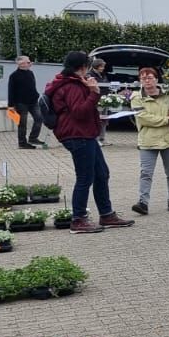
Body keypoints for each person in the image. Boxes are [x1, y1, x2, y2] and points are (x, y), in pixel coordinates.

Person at [44, 51, 134, 234]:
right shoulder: (71, 86)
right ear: (83, 67)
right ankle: (78, 220)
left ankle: (106, 214)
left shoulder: (72, 81)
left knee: (101, 174)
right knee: (85, 177)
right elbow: (79, 112)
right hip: (77, 135)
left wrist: (92, 92)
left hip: (84, 134)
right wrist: (94, 92)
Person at [130, 66, 169, 214]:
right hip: (148, 140)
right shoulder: (136, 97)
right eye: (143, 78)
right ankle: (143, 203)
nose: (146, 81)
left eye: (149, 78)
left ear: (156, 79)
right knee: (146, 173)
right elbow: (144, 118)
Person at [9, 55, 45, 149]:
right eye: (28, 62)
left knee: (39, 118)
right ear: (21, 64)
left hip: (33, 102)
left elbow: (32, 86)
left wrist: (36, 95)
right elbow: (11, 90)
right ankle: (22, 143)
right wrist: (11, 105)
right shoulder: (14, 76)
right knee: (22, 124)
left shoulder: (30, 73)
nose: (30, 63)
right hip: (21, 103)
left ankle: (33, 138)